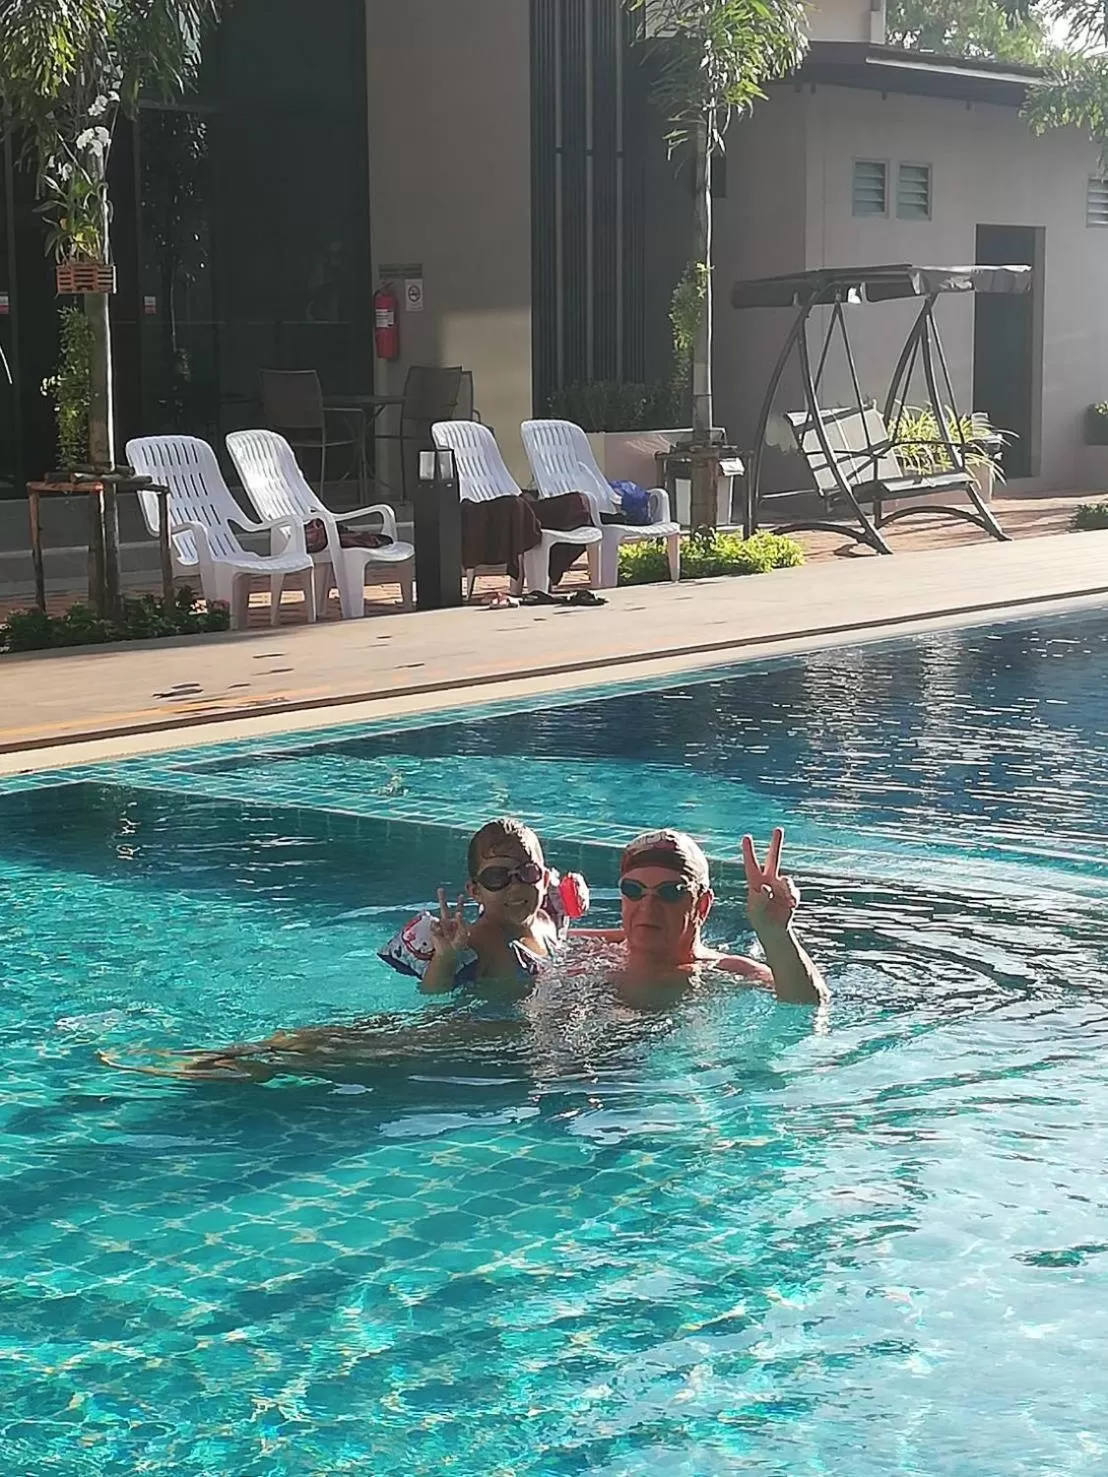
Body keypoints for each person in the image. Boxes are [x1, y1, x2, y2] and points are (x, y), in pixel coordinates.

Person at [579, 826, 826, 1007]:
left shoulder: (725, 972)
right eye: (633, 889)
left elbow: (806, 1004)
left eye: (670, 892)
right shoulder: (590, 948)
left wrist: (776, 934)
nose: (648, 906)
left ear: (702, 904)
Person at [378, 817, 588, 997]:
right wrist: (445, 958)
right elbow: (434, 993)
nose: (515, 886)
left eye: (527, 872)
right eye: (496, 877)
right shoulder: (479, 942)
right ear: (476, 891)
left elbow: (573, 941)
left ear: (543, 880)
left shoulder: (546, 923)